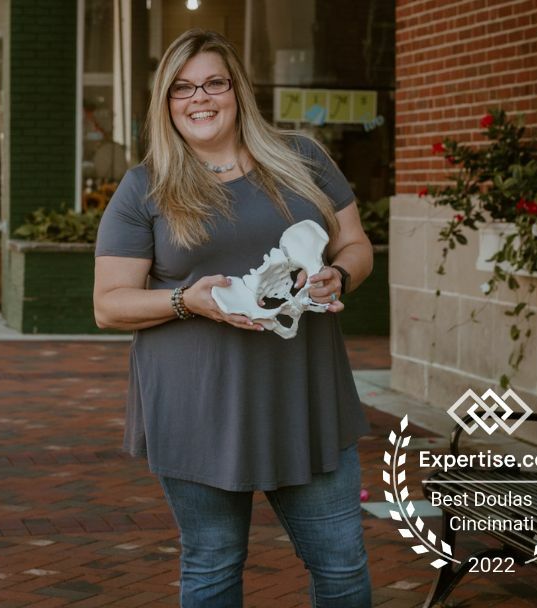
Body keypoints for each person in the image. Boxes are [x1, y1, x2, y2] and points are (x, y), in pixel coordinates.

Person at [92, 29, 374, 608]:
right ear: (165, 102)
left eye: (214, 83)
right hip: (198, 404)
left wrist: (338, 276)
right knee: (214, 568)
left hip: (304, 395)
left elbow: (356, 245)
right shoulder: (145, 187)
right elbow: (109, 303)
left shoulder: (302, 159)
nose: (200, 98)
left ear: (237, 90)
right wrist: (184, 301)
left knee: (343, 568)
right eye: (182, 88)